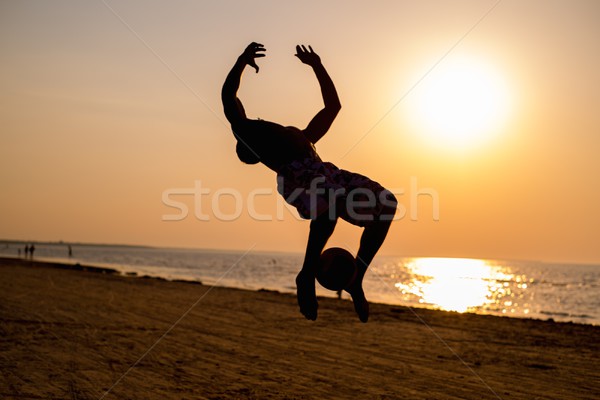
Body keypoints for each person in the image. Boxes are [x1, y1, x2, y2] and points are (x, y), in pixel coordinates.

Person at [222, 43, 397, 322]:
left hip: (326, 173)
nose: (258, 121)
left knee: (386, 203)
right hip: (299, 177)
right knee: (329, 202)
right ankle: (306, 275)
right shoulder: (246, 132)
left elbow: (333, 107)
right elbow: (229, 96)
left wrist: (317, 65)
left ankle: (356, 279)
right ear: (251, 147)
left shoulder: (305, 138)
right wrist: (241, 60)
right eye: (253, 123)